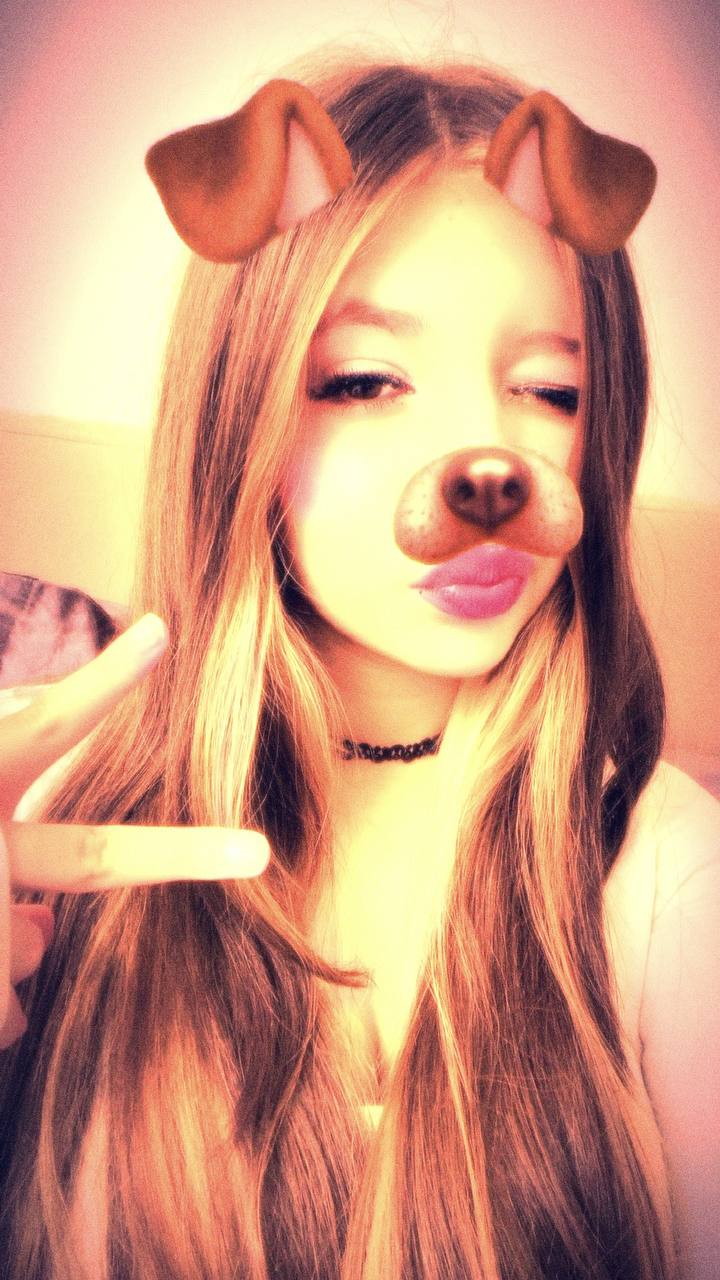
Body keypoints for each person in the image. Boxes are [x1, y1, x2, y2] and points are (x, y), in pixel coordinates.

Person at [0, 46, 718, 1280]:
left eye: (549, 389)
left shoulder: (663, 871)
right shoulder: (55, 826)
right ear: (240, 411)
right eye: (369, 380)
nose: (486, 460)